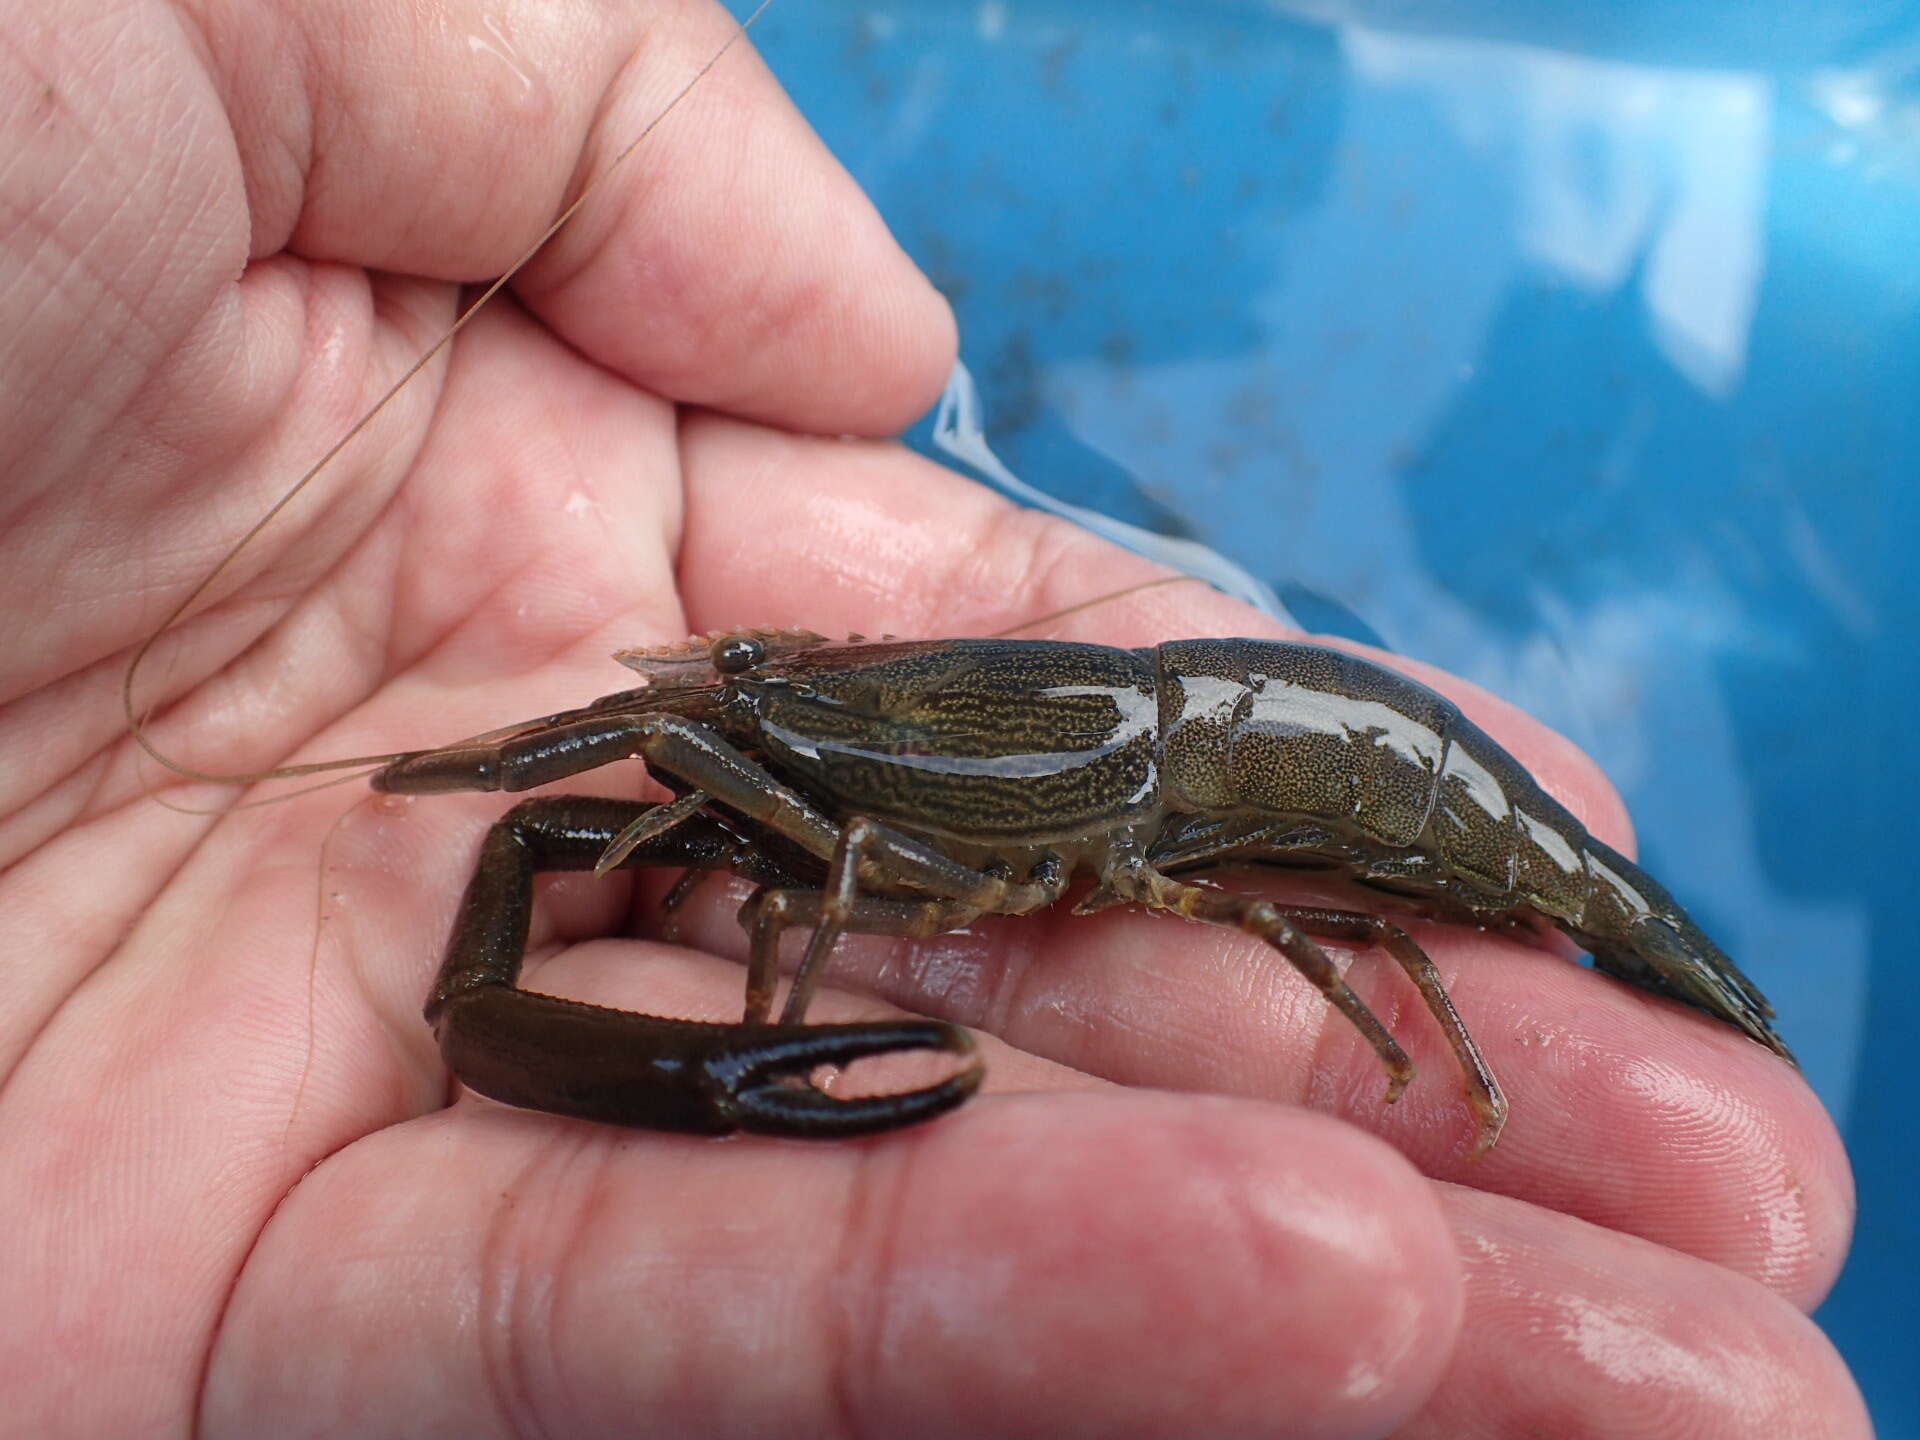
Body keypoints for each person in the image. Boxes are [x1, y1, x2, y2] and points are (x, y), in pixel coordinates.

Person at [0, 2, 1866, 1434]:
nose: (715, 734)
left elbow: (1193, 898)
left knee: (766, 832)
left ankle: (1531, 982)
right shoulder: (791, 730)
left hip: (1268, 777)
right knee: (641, 779)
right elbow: (645, 768)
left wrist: (1405, 1013)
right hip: (1165, 761)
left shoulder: (877, 831)